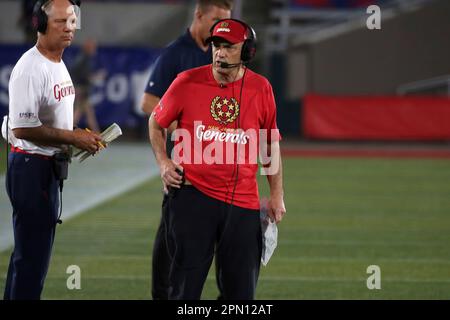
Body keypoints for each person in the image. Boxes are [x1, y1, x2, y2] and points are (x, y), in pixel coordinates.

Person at [149, 18, 286, 300]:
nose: (220, 53)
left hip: (243, 204)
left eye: (229, 47)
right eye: (216, 46)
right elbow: (156, 120)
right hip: (192, 199)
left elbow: (269, 144)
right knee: (184, 291)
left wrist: (276, 194)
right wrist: (163, 162)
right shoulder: (186, 81)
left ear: (247, 52)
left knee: (241, 295)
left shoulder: (261, 89)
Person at [2, 0, 102, 300]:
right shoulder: (31, 68)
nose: (69, 28)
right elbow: (22, 128)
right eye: (60, 22)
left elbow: (53, 119)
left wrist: (78, 136)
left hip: (45, 168)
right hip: (31, 169)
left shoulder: (57, 61)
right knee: (32, 261)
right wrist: (72, 138)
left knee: (28, 257)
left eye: (72, 21)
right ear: (41, 25)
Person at [141, 0, 233, 300]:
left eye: (227, 22)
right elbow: (149, 103)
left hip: (218, 159)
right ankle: (163, 294)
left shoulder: (224, 53)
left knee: (223, 227)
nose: (222, 28)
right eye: (217, 20)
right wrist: (183, 126)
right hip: (183, 160)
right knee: (172, 228)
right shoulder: (175, 53)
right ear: (199, 15)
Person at [71, 39, 101, 132]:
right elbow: (84, 76)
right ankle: (68, 131)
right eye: (92, 47)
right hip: (81, 90)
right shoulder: (83, 59)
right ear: (88, 48)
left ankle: (98, 135)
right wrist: (96, 77)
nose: (94, 49)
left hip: (82, 90)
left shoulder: (84, 58)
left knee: (87, 113)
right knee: (79, 113)